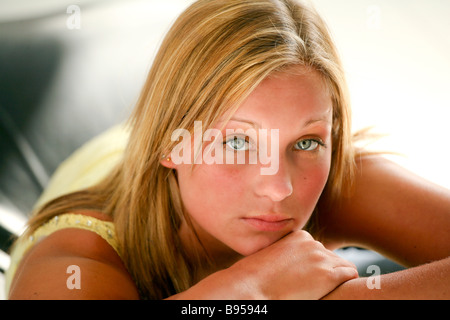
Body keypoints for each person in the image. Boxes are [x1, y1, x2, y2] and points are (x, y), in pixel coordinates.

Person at [6, 0, 449, 300]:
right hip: (108, 159)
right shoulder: (71, 257)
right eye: (237, 143)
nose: (280, 187)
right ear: (169, 143)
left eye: (308, 140)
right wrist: (251, 289)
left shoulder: (331, 174)